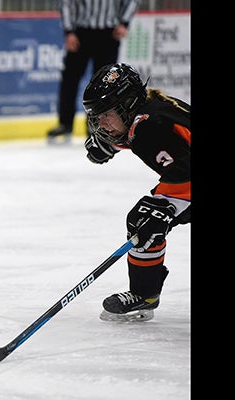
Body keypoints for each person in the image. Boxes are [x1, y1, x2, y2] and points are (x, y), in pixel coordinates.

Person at [81, 63, 190, 322]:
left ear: (127, 103)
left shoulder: (152, 128)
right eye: (98, 117)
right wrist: (114, 143)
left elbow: (184, 174)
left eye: (106, 114)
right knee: (147, 218)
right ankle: (145, 294)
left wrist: (164, 208)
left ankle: (145, 293)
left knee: (146, 219)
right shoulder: (147, 109)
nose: (101, 123)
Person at [47, 0, 141, 144]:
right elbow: (66, 3)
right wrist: (69, 31)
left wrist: (124, 23)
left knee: (106, 85)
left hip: (109, 33)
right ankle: (65, 123)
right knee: (70, 79)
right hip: (81, 32)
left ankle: (98, 126)